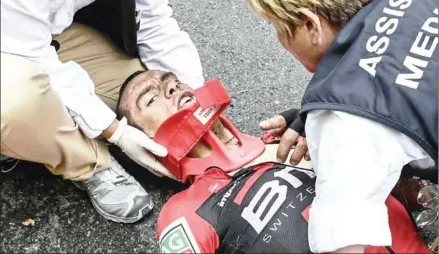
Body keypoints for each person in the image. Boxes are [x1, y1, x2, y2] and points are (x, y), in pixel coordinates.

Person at [116, 69, 431, 254]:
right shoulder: (185, 212)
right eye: (152, 98)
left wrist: (336, 120)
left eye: (171, 81)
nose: (170, 87)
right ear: (144, 142)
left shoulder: (293, 137)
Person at [240, 0, 438, 253]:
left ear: (311, 25)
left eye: (278, 28)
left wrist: (336, 114)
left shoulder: (345, 129)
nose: (280, 41)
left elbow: (345, 244)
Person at [1, 0, 204, 223]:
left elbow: (154, 22)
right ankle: (89, 163)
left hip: (40, 32)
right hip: (19, 47)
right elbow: (31, 55)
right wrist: (115, 131)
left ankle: (35, 134)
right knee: (17, 103)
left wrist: (198, 98)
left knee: (141, 95)